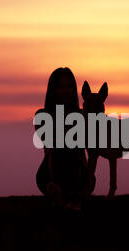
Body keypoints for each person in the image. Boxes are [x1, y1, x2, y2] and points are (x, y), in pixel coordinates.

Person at [35, 67, 94, 210]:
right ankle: (58, 192)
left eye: (68, 87)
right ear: (53, 90)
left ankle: (70, 196)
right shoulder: (43, 115)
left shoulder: (82, 116)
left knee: (72, 154)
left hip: (78, 172)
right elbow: (52, 141)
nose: (65, 91)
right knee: (61, 150)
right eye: (60, 87)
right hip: (52, 172)